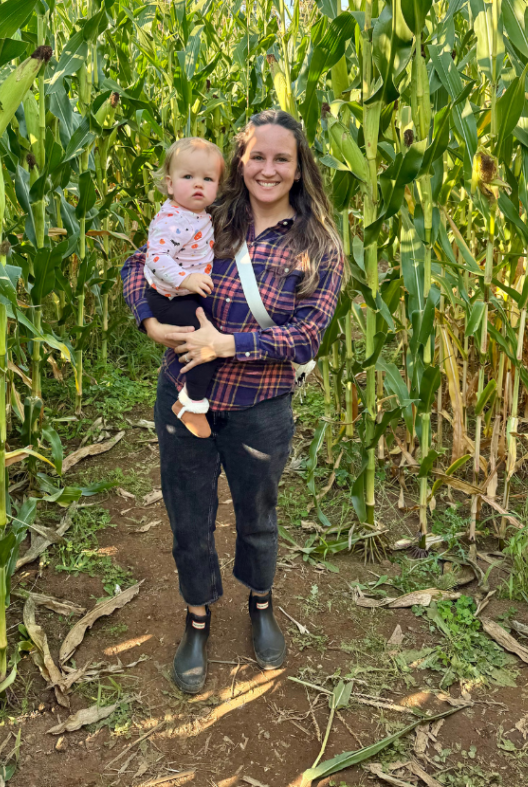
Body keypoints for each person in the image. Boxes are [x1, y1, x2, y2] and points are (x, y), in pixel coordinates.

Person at [121, 109, 345, 694]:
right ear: (239, 162)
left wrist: (229, 343)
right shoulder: (207, 217)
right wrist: (148, 320)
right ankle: (197, 617)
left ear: (299, 169)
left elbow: (304, 336)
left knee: (258, 518)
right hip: (183, 397)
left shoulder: (316, 244)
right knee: (188, 518)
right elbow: (137, 265)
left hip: (260, 405)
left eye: (282, 159)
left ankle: (261, 605)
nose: (267, 169)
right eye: (257, 157)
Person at [141, 137, 225, 438]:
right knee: (205, 345)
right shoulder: (175, 220)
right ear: (170, 183)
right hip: (169, 296)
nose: (198, 184)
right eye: (188, 177)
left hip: (178, 294)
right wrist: (185, 278)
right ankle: (191, 403)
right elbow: (155, 258)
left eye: (207, 178)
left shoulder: (196, 215)